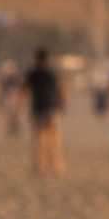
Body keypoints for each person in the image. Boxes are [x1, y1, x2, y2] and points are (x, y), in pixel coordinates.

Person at [19, 47, 66, 177]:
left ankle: (40, 165)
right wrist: (63, 104)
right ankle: (56, 164)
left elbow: (23, 91)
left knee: (38, 138)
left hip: (37, 109)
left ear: (36, 59)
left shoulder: (32, 73)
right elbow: (62, 89)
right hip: (52, 109)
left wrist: (19, 107)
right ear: (48, 59)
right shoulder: (53, 73)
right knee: (54, 139)